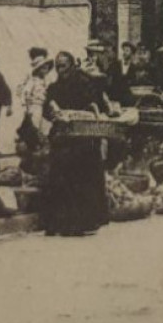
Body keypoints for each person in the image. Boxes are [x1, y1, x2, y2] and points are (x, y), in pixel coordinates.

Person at [40, 50, 114, 236]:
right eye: (57, 67)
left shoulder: (85, 83)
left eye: (63, 66)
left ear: (72, 66)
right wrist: (53, 112)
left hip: (83, 136)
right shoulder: (54, 88)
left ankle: (84, 222)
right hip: (64, 137)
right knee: (58, 173)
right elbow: (46, 111)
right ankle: (59, 223)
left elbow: (96, 105)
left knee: (82, 173)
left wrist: (84, 112)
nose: (60, 70)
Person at [17, 47, 56, 137]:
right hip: (34, 105)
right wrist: (26, 105)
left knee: (44, 124)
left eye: (46, 68)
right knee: (34, 123)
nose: (45, 71)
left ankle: (41, 140)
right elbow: (25, 92)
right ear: (38, 69)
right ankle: (33, 140)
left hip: (43, 105)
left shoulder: (46, 81)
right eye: (43, 68)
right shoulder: (33, 80)